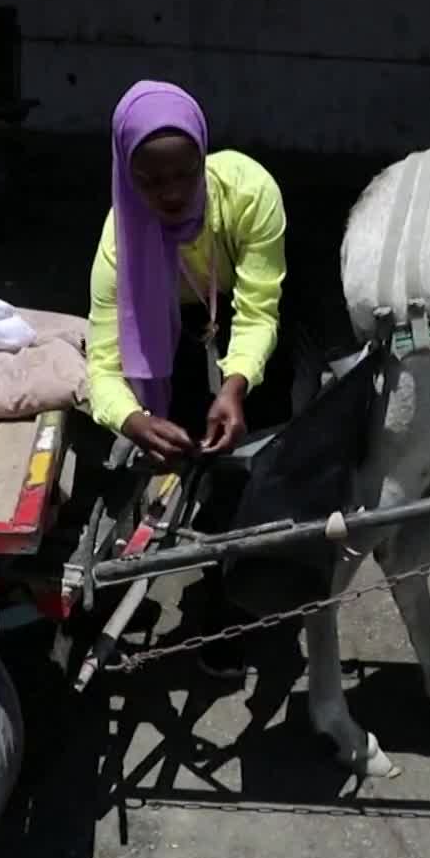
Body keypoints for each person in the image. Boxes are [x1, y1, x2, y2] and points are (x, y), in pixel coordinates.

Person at [85, 79, 304, 679]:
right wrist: (132, 418)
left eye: (184, 174)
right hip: (167, 330)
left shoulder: (251, 192)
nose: (172, 194)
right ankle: (186, 580)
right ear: (127, 178)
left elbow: (259, 310)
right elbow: (102, 366)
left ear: (203, 156)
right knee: (183, 464)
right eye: (150, 183)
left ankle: (222, 606)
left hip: (242, 317)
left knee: (253, 468)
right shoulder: (118, 243)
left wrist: (235, 384)